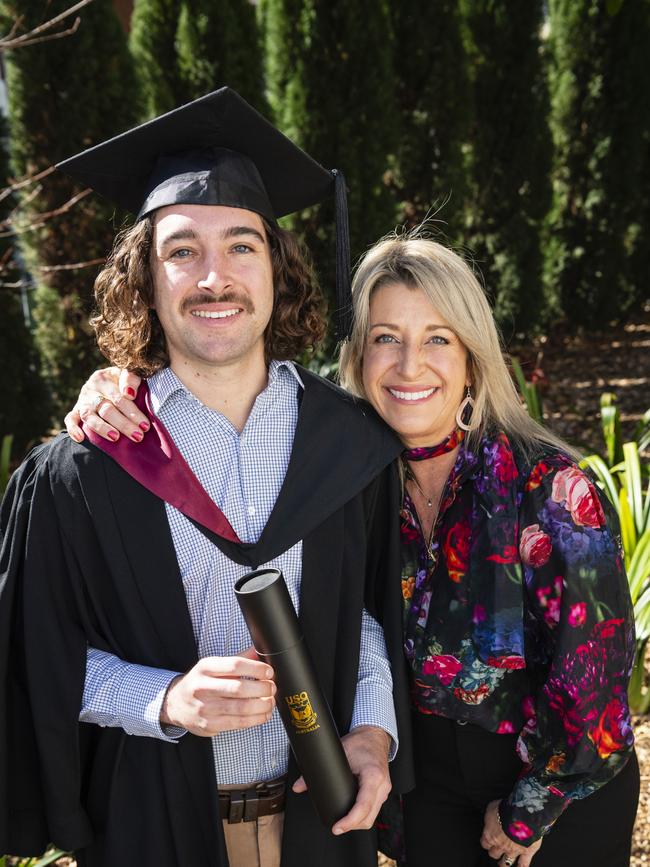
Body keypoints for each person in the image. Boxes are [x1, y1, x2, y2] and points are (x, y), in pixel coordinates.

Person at [75, 231, 641, 867]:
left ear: (473, 358)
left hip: (554, 792)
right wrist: (119, 386)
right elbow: (233, 382)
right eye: (385, 339)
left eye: (437, 339)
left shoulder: (553, 491)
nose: (408, 365)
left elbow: (596, 684)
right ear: (359, 355)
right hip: (425, 790)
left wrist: (527, 812)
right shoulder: (350, 476)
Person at [0, 89, 414, 867]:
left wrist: (371, 730)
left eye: (242, 246)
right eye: (182, 249)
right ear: (145, 279)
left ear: (278, 268)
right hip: (153, 830)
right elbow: (37, 655)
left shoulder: (349, 444)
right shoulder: (85, 469)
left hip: (316, 829)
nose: (214, 277)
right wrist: (163, 699)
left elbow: (363, 616)